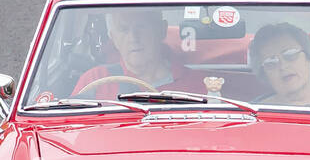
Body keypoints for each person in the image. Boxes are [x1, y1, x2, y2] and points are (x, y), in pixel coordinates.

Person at [70, 7, 209, 99]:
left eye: (141, 27)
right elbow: (72, 129)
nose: (133, 38)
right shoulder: (95, 80)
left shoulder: (199, 84)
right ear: (114, 38)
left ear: (161, 30)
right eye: (124, 30)